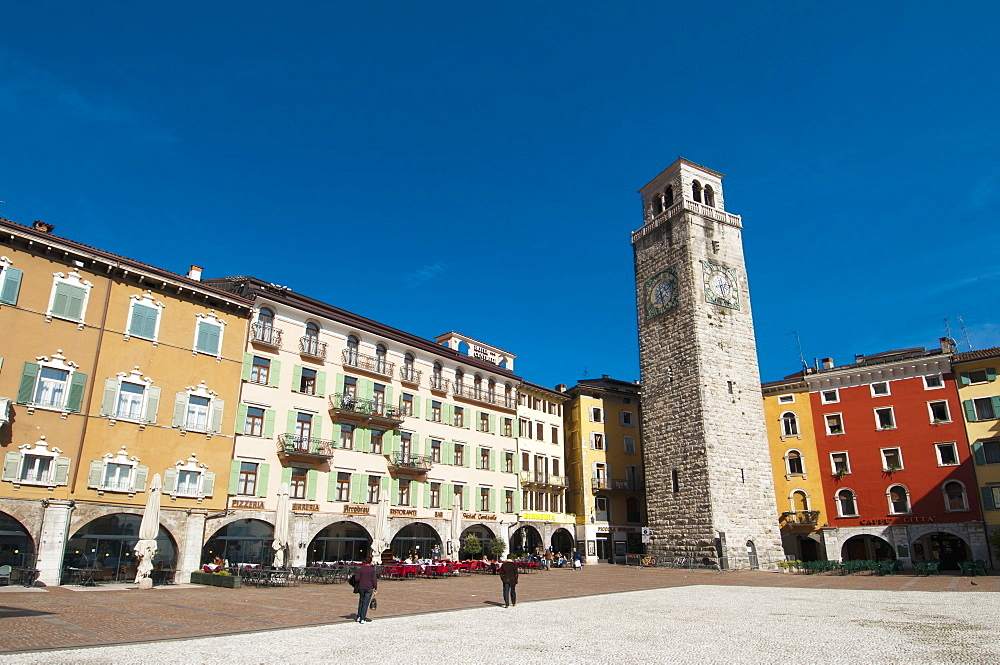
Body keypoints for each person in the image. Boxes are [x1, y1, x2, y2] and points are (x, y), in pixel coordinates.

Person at [355, 555, 378, 623]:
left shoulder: (361, 569)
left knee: (361, 601)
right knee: (365, 603)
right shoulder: (372, 570)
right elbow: (374, 579)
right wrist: (375, 587)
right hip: (369, 587)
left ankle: (359, 616)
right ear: (370, 562)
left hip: (361, 587)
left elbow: (357, 578)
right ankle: (363, 618)